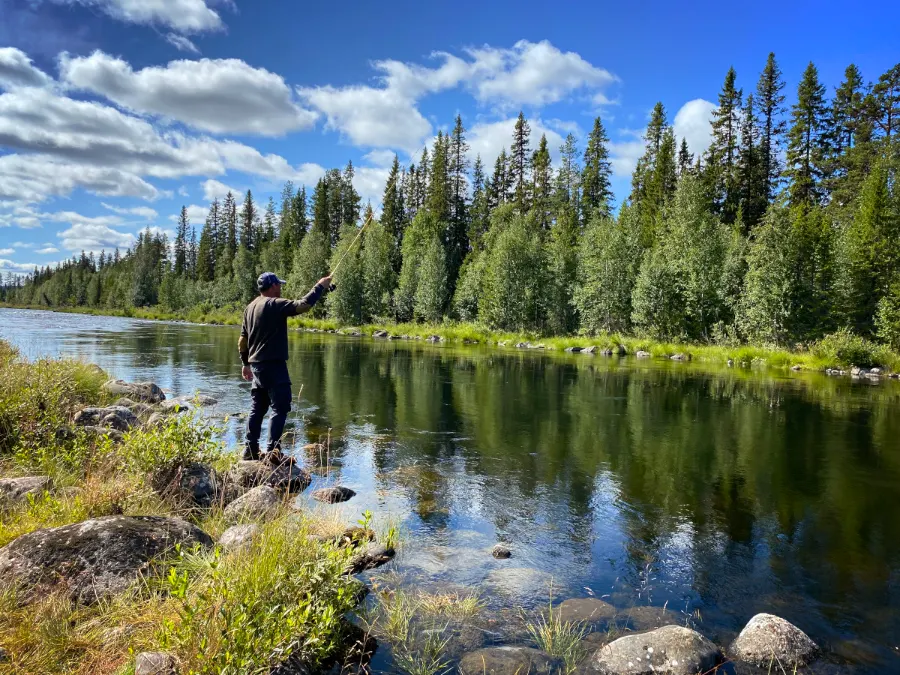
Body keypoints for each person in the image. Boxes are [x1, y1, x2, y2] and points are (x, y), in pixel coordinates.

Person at [238, 271, 332, 461]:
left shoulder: (250, 307)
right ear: (272, 286)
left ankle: (250, 450)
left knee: (258, 408)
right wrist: (320, 285)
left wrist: (245, 363)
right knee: (280, 408)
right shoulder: (274, 304)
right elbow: (303, 306)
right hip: (274, 365)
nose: (281, 288)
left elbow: (242, 341)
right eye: (279, 285)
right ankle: (274, 452)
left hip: (256, 367)